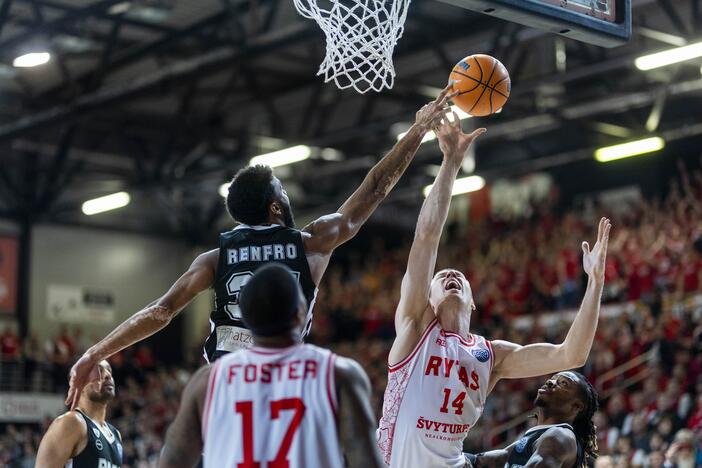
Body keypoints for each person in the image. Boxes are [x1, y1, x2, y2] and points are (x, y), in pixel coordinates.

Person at [66, 86, 456, 408]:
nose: (286, 195)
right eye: (282, 191)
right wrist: (418, 129)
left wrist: (95, 352)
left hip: (226, 389)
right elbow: (374, 189)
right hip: (284, 386)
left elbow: (161, 311)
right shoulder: (309, 243)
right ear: (274, 206)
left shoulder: (215, 258)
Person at [376, 112, 611, 467]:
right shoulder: (414, 329)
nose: (450, 274)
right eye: (441, 277)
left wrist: (594, 284)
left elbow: (570, 356)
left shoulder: (490, 356)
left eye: (459, 277)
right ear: (428, 298)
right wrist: (452, 161)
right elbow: (426, 238)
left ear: (472, 304)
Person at [158, 263, 383, 468]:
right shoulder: (338, 373)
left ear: (247, 319)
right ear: (300, 313)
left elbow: (172, 462)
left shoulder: (207, 382)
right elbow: (365, 461)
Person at [465, 371, 599, 468]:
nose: (551, 382)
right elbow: (484, 461)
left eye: (563, 383)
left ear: (576, 406)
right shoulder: (540, 435)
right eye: (553, 378)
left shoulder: (560, 435)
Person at [36, 360, 122, 468]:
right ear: (77, 382)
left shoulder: (115, 434)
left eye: (109, 370)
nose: (108, 375)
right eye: (99, 372)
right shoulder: (72, 422)